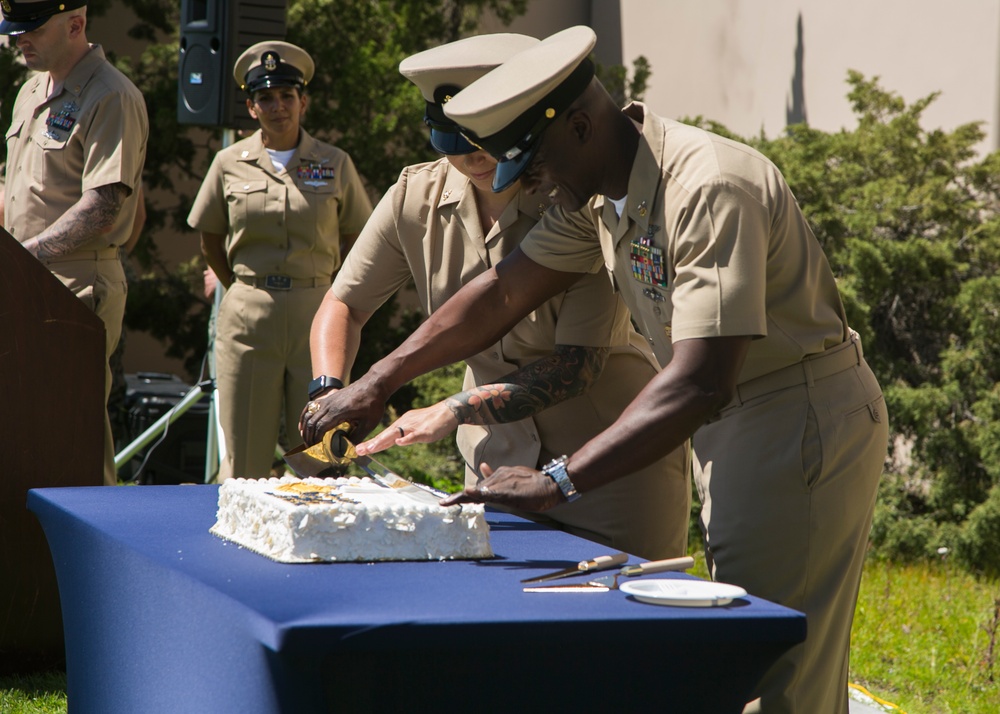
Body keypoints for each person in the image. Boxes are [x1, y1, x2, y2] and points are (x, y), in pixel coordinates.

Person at [307, 26, 889, 714]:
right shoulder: (599, 195)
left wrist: (559, 480)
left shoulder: (708, 187)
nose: (528, 184)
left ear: (580, 126)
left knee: (778, 669)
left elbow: (702, 379)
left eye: (534, 163)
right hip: (737, 422)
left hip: (793, 415)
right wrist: (377, 381)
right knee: (750, 654)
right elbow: (500, 293)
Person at [302, 34, 690, 560]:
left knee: (625, 627)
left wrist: (451, 409)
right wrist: (330, 391)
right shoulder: (413, 199)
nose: (473, 159)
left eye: (486, 141)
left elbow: (576, 367)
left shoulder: (574, 194)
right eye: (454, 145)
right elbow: (345, 304)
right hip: (490, 464)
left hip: (604, 463)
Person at [188, 41, 373, 481]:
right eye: (265, 98)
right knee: (244, 458)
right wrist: (240, 285)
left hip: (317, 315)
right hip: (249, 317)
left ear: (302, 102)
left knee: (321, 454)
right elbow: (210, 238)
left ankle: (323, 543)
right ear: (251, 108)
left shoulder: (334, 163)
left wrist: (334, 293)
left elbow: (359, 239)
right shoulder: (228, 162)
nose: (277, 106)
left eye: (286, 96)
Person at [1, 0, 148, 486]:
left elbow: (104, 207)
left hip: (75, 283)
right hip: (24, 278)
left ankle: (91, 557)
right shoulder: (29, 92)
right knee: (25, 429)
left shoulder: (111, 95)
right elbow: (18, 187)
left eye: (33, 30)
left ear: (76, 24)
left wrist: (19, 261)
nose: (19, 39)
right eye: (15, 30)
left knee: (72, 434)